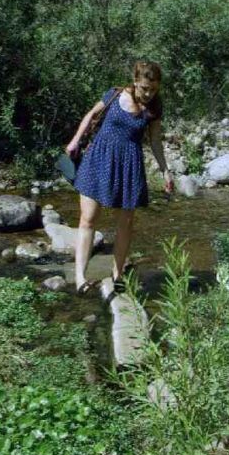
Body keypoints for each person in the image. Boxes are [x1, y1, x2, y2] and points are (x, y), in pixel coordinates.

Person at [65, 61, 174, 294]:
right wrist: (75, 141)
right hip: (98, 159)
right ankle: (80, 278)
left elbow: (155, 141)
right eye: (145, 88)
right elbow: (91, 114)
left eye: (153, 89)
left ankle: (117, 274)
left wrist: (165, 170)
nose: (148, 93)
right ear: (135, 81)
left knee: (125, 224)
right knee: (88, 218)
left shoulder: (155, 107)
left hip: (129, 166)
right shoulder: (114, 95)